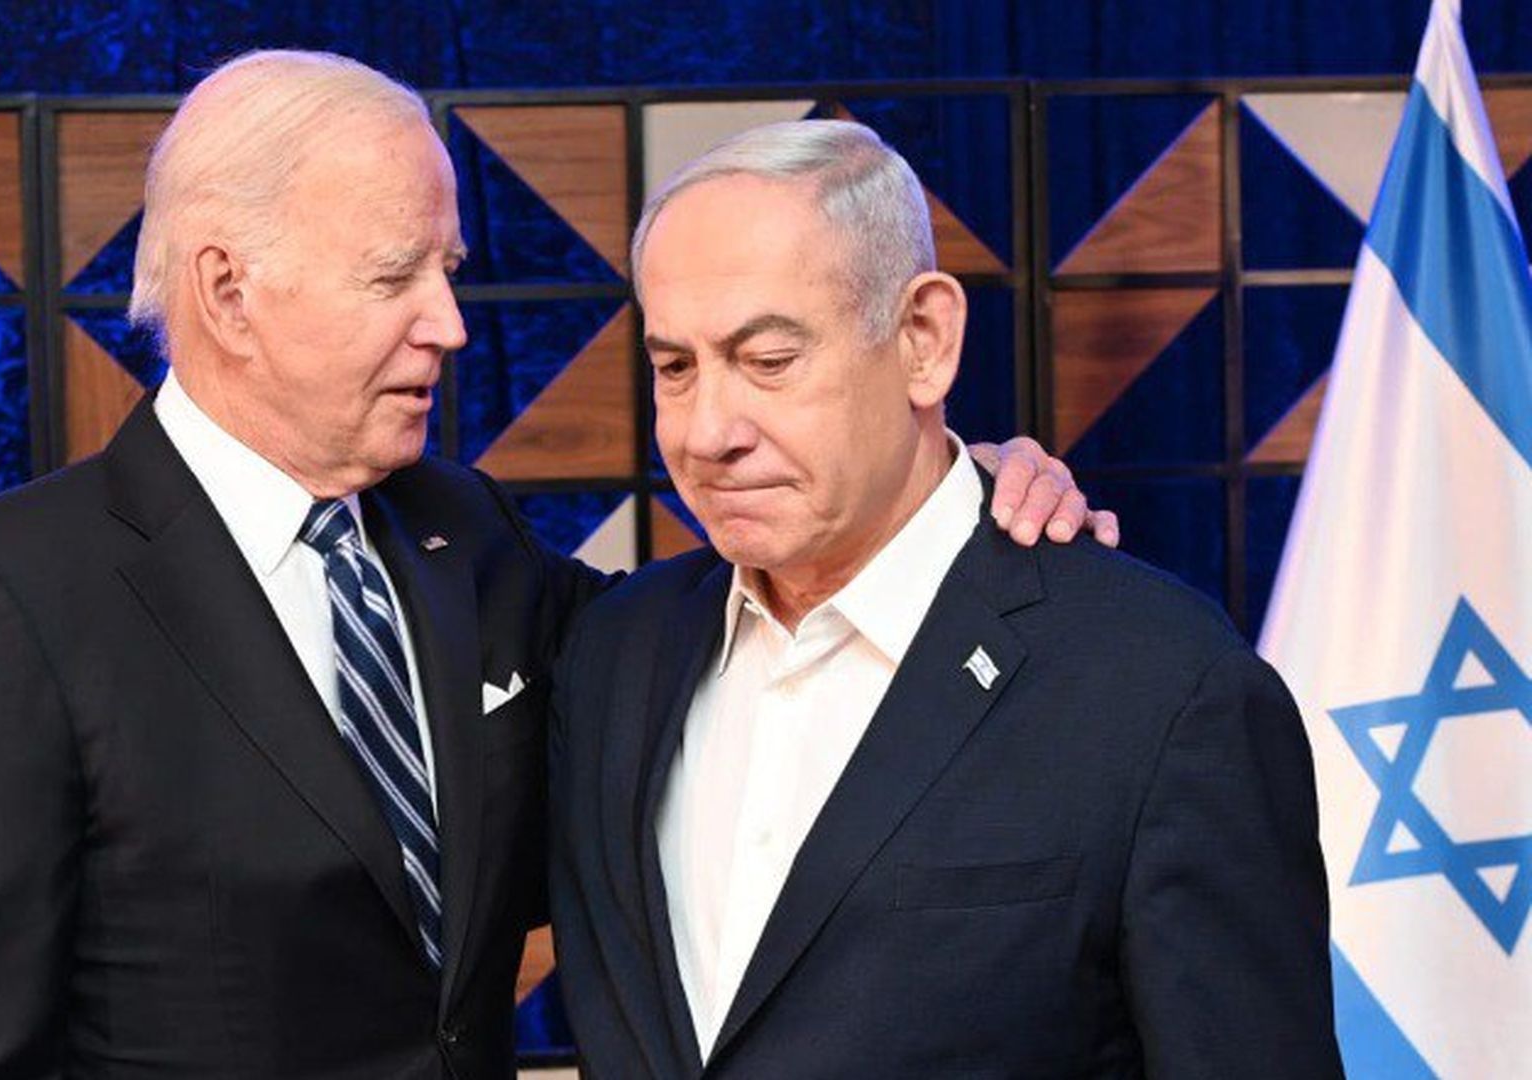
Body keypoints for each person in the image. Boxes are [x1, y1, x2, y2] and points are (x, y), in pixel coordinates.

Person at [0, 53, 1105, 1078]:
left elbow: (724, 644)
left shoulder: (462, 531)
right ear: (228, 293)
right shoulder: (8, 602)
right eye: (394, 276)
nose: (448, 325)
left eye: (445, 272)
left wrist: (938, 481)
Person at [547, 119, 1344, 1078]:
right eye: (676, 368)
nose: (708, 431)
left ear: (923, 340)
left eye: (769, 361)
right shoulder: (613, 654)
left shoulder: (1162, 691)